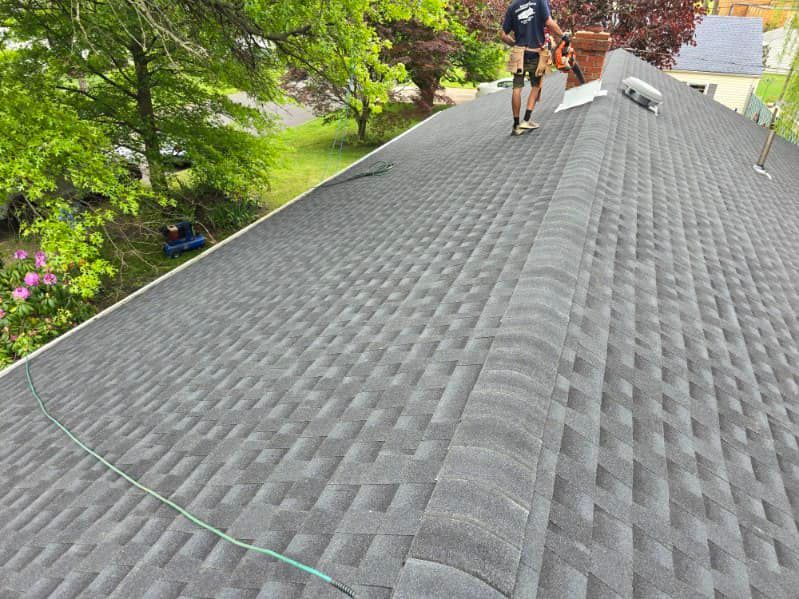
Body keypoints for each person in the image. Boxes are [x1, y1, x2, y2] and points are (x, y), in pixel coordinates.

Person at [500, 0, 565, 135]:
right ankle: (526, 120)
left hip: (519, 53)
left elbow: (502, 35)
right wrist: (563, 36)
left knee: (517, 88)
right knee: (536, 86)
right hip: (536, 53)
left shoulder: (513, 6)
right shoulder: (540, 1)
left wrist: (514, 44)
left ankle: (516, 125)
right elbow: (549, 23)